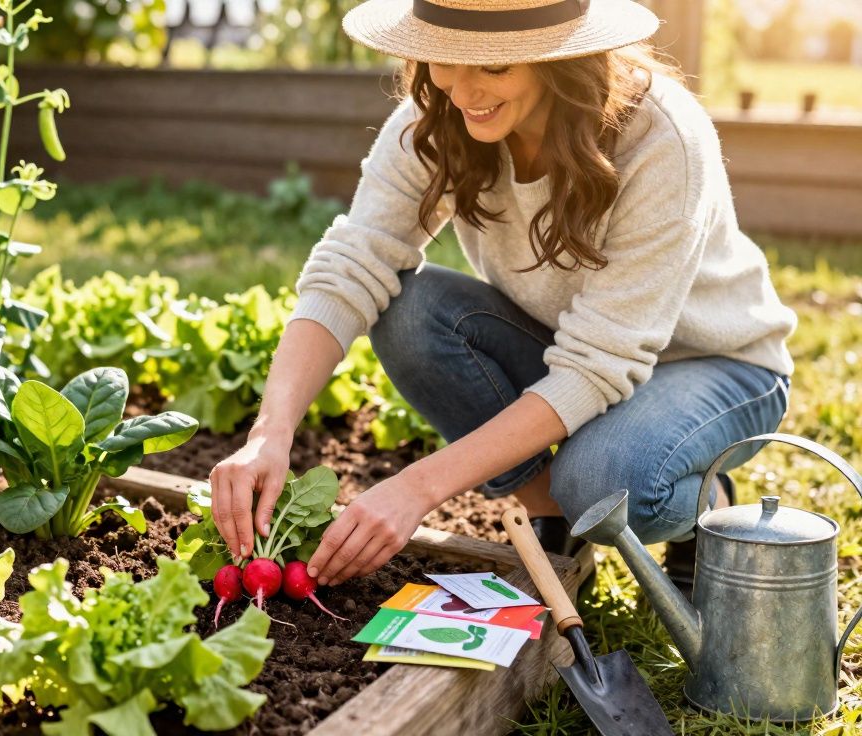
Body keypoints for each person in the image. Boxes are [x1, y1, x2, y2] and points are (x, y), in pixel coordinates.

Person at [207, 0, 796, 598]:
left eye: (493, 67)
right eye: (444, 58)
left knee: (604, 482)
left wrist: (418, 487)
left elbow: (600, 361)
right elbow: (354, 264)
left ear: (561, 58)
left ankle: (706, 502)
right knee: (410, 314)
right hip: (571, 344)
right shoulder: (435, 120)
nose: (462, 91)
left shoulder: (659, 137)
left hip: (714, 364)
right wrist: (270, 431)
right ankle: (553, 514)